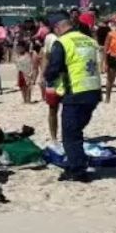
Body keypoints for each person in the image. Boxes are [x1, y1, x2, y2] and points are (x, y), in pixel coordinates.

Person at [42, 11, 102, 182]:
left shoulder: (62, 42)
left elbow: (54, 67)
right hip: (93, 90)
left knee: (70, 134)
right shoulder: (89, 40)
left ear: (58, 27)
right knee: (77, 130)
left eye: (54, 30)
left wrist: (48, 77)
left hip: (75, 92)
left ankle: (77, 171)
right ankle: (77, 161)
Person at [39, 23, 61, 142]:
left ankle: (70, 135)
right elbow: (46, 57)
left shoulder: (71, 37)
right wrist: (42, 74)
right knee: (53, 108)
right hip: (53, 76)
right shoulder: (50, 37)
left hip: (68, 77)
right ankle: (54, 137)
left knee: (69, 110)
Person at [14, 39, 39, 104]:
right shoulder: (17, 55)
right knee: (22, 87)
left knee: (28, 87)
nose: (19, 49)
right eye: (18, 47)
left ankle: (28, 99)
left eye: (20, 47)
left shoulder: (29, 54)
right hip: (20, 73)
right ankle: (24, 99)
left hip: (28, 73)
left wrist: (33, 75)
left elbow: (34, 66)